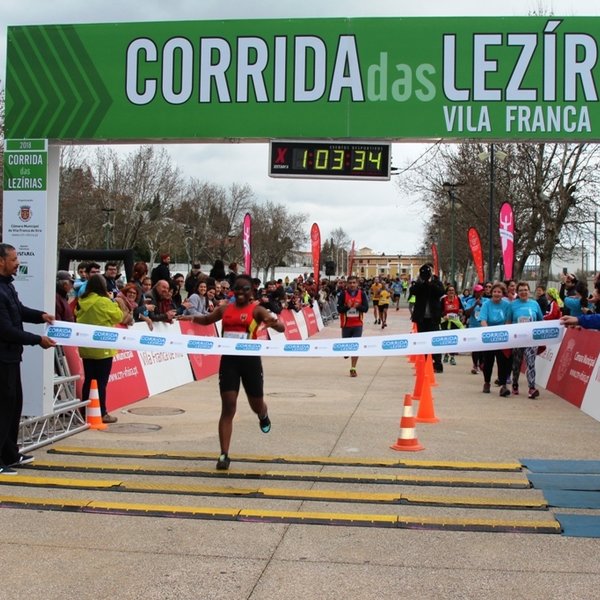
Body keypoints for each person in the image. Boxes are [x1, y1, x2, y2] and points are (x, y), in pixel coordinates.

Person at [177, 274, 285, 471]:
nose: (241, 293)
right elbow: (208, 319)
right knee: (228, 406)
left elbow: (281, 327)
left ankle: (263, 414)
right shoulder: (225, 309)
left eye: (245, 289)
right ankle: (224, 454)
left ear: (251, 292)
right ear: (233, 291)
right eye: (238, 289)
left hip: (251, 362)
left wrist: (274, 323)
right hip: (229, 362)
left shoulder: (257, 310)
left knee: (256, 404)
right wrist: (192, 317)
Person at [0, 244, 56, 474]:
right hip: (2, 359)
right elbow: (5, 330)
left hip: (12, 358)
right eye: (14, 259)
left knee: (14, 407)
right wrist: (37, 339)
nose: (18, 263)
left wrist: (41, 315)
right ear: (1, 261)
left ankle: (10, 454)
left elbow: (19, 311)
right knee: (3, 408)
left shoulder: (7, 287)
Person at [75, 274, 123, 423]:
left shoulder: (81, 301)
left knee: (89, 380)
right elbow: (118, 316)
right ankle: (101, 412)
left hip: (86, 347)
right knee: (101, 383)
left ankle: (85, 411)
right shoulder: (104, 301)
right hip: (103, 348)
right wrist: (112, 300)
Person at [508, 281, 544, 399]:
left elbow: (540, 320)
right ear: (517, 293)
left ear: (529, 291)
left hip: (531, 339)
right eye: (521, 290)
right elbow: (508, 322)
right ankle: (515, 384)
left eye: (525, 290)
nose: (523, 292)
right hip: (517, 339)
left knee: (530, 362)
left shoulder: (535, 304)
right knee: (516, 364)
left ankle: (532, 388)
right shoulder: (513, 305)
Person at [410, 264, 445, 373]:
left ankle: (437, 363)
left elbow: (441, 292)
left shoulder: (436, 282)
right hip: (421, 318)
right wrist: (422, 281)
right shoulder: (419, 283)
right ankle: (423, 362)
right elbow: (413, 291)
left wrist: (430, 283)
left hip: (433, 317)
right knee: (423, 341)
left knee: (435, 341)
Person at [479, 283, 512, 396]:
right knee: (488, 361)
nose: (496, 294)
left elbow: (508, 320)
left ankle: (503, 385)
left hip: (502, 337)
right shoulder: (486, 304)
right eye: (495, 292)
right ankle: (487, 382)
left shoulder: (507, 305)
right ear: (491, 293)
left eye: (499, 292)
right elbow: (483, 319)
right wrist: (488, 332)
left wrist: (503, 332)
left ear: (502, 294)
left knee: (503, 362)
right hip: (489, 337)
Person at [337, 275, 369, 377]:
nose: (352, 285)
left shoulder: (362, 294)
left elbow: (366, 309)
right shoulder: (343, 294)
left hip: (357, 324)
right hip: (346, 324)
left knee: (356, 346)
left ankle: (353, 368)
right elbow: (339, 310)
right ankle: (346, 353)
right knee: (346, 350)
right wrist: (347, 306)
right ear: (347, 284)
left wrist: (358, 306)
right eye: (350, 283)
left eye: (354, 283)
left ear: (357, 284)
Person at [463, 284, 488, 374]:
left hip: (483, 326)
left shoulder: (486, 301)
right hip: (473, 326)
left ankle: (482, 363)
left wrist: (481, 305)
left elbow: (487, 311)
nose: (478, 294)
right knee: (475, 346)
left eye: (480, 292)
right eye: (476, 292)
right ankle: (475, 364)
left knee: (482, 346)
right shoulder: (470, 301)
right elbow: (466, 313)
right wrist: (474, 305)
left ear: (482, 292)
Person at [440, 284, 464, 365]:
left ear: (455, 292)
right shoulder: (443, 300)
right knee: (446, 339)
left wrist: (461, 312)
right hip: (445, 321)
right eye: (449, 290)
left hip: (455, 321)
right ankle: (446, 354)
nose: (451, 292)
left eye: (452, 290)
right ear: (447, 292)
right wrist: (443, 315)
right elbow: (439, 310)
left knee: (454, 339)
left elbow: (461, 309)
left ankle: (452, 357)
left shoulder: (458, 299)